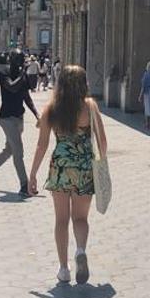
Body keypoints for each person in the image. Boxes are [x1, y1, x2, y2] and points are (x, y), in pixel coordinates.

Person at [29, 64, 106, 284]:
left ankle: (63, 269)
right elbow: (102, 142)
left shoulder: (51, 109)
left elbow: (41, 145)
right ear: (84, 85)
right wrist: (100, 165)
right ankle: (80, 250)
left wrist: (33, 174)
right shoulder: (90, 107)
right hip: (83, 167)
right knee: (80, 218)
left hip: (60, 167)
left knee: (61, 220)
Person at [0, 50, 39, 197]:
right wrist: (23, 73)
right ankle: (24, 185)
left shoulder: (22, 76)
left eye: (21, 60)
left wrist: (37, 114)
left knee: (9, 150)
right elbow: (12, 87)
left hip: (19, 117)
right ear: (11, 60)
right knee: (18, 152)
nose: (20, 63)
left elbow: (26, 97)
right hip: (7, 118)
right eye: (17, 59)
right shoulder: (3, 73)